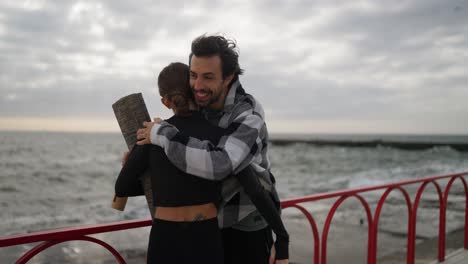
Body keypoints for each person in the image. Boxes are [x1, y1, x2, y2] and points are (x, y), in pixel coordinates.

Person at [136, 35, 288, 264]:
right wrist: (150, 158)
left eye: (208, 77)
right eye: (193, 75)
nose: (197, 86)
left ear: (228, 77)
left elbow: (221, 165)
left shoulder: (248, 113)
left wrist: (162, 135)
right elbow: (187, 161)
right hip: (209, 225)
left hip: (246, 223)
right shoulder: (200, 105)